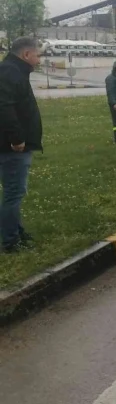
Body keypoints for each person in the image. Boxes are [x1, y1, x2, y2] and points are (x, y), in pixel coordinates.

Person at [0, 37, 42, 252]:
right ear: (26, 54)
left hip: (16, 144)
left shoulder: (14, 71)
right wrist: (16, 139)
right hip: (13, 147)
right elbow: (5, 107)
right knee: (13, 192)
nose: (39, 59)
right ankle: (10, 241)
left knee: (15, 190)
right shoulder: (10, 72)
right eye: (37, 55)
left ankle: (16, 230)